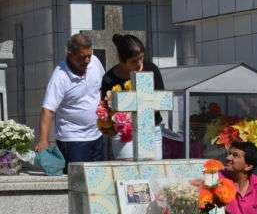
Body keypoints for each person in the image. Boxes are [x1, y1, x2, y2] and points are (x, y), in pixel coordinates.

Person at [35, 33, 106, 168]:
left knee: (98, 182)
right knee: (78, 183)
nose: (86, 61)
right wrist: (43, 140)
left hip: (97, 134)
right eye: (82, 57)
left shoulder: (95, 62)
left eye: (89, 56)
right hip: (73, 139)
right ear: (70, 53)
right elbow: (48, 110)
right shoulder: (60, 77)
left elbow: (102, 88)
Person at [101, 34, 167, 160]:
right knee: (128, 172)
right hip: (124, 133)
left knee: (153, 173)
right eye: (133, 61)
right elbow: (105, 109)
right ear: (121, 60)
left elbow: (161, 100)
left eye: (141, 58)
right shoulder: (109, 78)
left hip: (151, 129)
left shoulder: (151, 69)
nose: (139, 63)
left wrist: (141, 108)